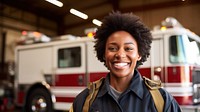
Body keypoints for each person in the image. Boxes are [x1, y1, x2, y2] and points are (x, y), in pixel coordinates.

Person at [70, 11, 182, 112]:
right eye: (112, 48)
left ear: (139, 54)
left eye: (128, 48)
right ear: (104, 54)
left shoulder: (162, 101)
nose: (120, 54)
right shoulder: (84, 101)